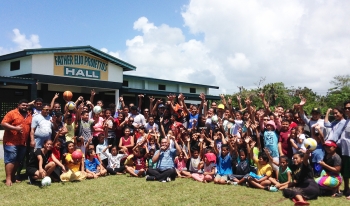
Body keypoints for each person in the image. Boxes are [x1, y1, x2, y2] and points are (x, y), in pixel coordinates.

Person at [1, 99, 32, 186]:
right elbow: (3, 123)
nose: (25, 107)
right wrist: (15, 128)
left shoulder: (29, 115)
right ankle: (8, 179)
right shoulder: (12, 113)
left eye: (26, 105)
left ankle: (13, 177)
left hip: (23, 142)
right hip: (11, 142)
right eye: (23, 105)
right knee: (10, 160)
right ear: (18, 105)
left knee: (18, 160)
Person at [338, 100, 350, 199]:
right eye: (345, 108)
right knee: (345, 172)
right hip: (345, 151)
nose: (347, 110)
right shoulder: (347, 120)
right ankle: (346, 189)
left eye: (349, 108)